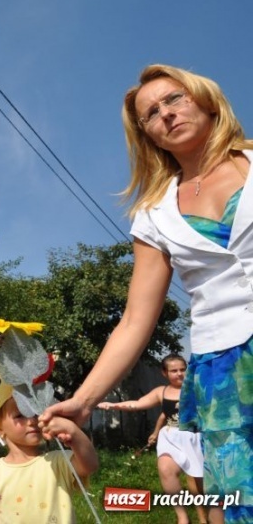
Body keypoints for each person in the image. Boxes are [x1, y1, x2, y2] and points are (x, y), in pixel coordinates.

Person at [39, 64, 253, 522]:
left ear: (204, 98)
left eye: (174, 99)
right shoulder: (154, 214)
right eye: (151, 114)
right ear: (148, 136)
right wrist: (83, 400)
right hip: (224, 370)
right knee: (237, 500)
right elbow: (136, 321)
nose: (166, 114)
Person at [0, 363, 98, 523]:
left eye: (35, 412)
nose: (32, 421)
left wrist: (73, 431)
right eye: (20, 415)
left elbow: (90, 464)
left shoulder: (57, 462)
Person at [99, 354, 209, 524]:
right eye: (174, 371)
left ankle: (204, 519)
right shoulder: (161, 392)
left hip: (195, 438)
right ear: (164, 373)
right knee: (165, 469)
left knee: (197, 482)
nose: (179, 374)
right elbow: (137, 404)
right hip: (172, 437)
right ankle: (183, 518)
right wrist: (113, 405)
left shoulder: (197, 388)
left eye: (182, 369)